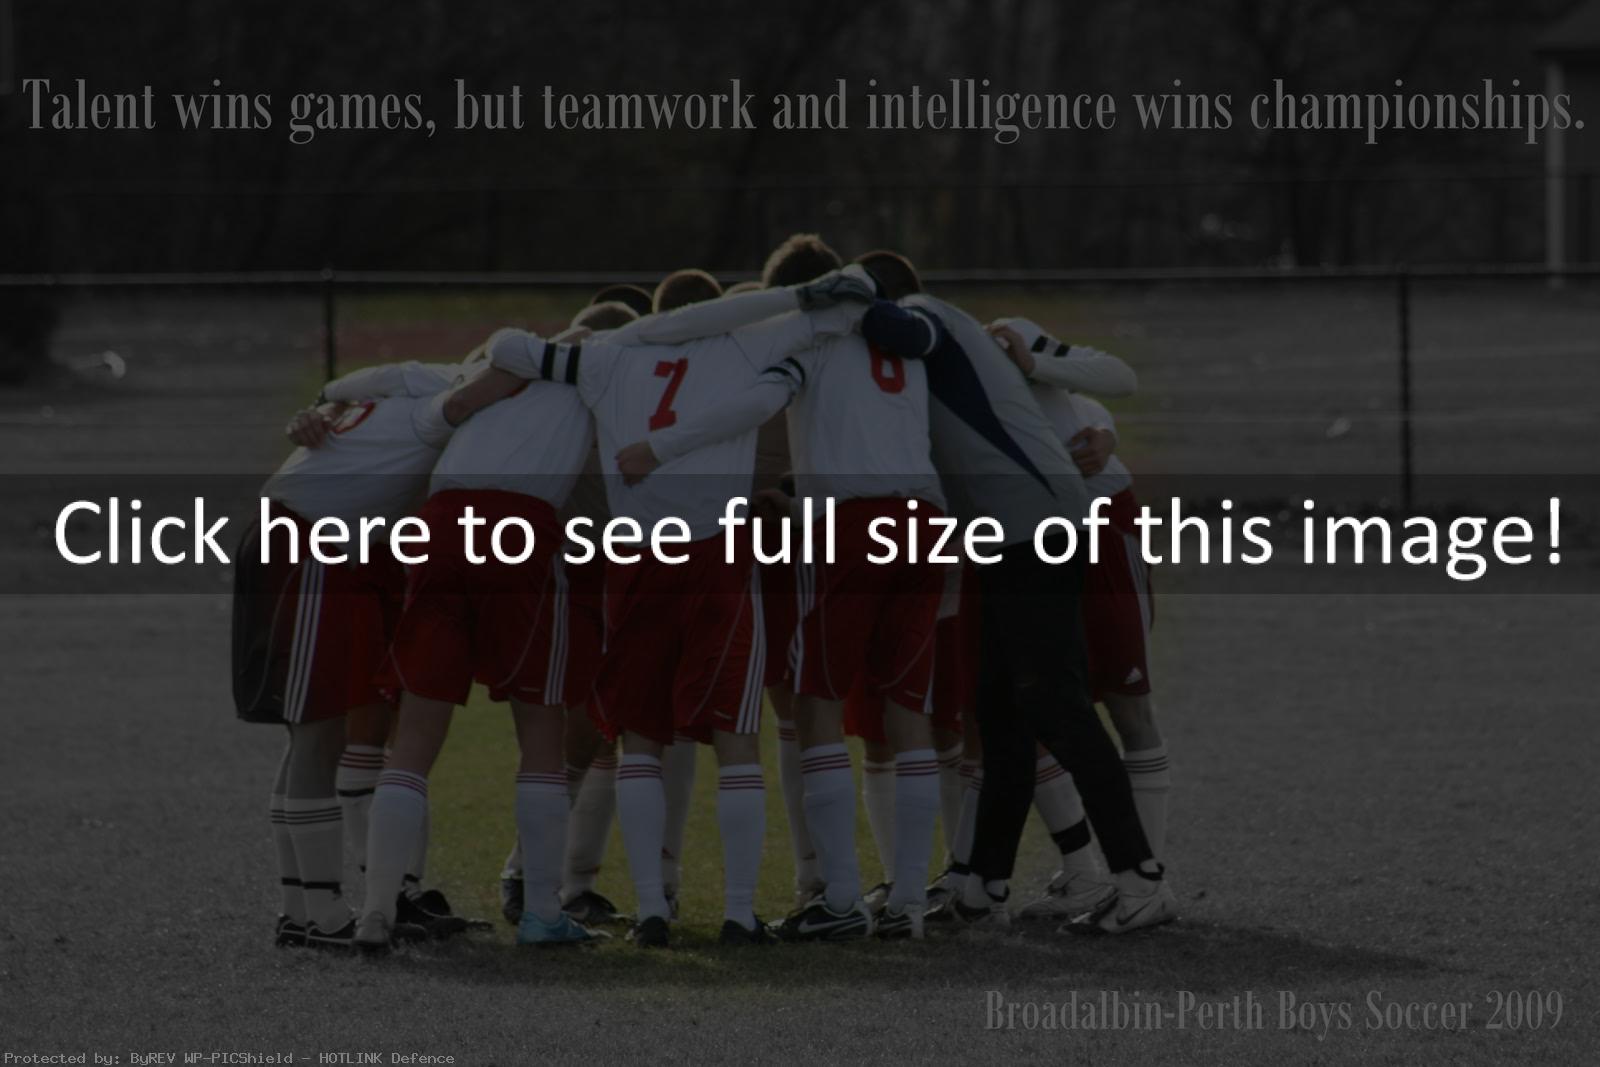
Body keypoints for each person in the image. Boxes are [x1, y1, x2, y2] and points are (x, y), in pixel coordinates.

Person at [451, 268, 877, 947]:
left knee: (640, 739)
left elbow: (508, 346)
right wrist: (807, 300)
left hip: (636, 555)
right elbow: (833, 323)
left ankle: (652, 908)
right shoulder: (744, 347)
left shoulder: (607, 356)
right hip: (716, 552)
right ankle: (739, 913)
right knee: (737, 737)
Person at [615, 236, 948, 940]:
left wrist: (661, 447)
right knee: (907, 709)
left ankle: (839, 898)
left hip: (851, 525)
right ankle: (910, 900)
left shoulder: (811, 342)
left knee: (814, 702)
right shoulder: (908, 344)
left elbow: (755, 403)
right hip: (926, 521)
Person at [849, 254, 1177, 934]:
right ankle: (983, 886)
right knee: (1000, 712)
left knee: (1059, 708)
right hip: (1004, 533)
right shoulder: (938, 338)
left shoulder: (925, 317)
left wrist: (820, 306)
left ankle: (1140, 879)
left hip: (1037, 526)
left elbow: (905, 331)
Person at [353, 312, 611, 953]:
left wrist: (327, 398)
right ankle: (542, 911)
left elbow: (399, 381)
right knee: (541, 726)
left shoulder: (486, 366)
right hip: (518, 524)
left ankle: (375, 910)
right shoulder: (602, 370)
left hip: (440, 520)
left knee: (415, 735)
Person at [233, 361, 461, 950]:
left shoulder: (395, 394)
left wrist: (324, 400)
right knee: (318, 733)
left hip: (302, 538)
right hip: (310, 545)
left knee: (312, 735)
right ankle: (323, 913)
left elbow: (367, 382)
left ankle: (300, 908)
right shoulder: (442, 402)